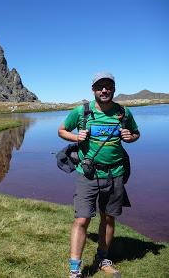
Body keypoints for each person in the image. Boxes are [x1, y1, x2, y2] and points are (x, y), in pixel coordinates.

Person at [58, 72, 140, 278]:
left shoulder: (123, 112)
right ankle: (75, 269)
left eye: (108, 86)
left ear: (114, 88)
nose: (104, 90)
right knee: (82, 219)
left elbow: (136, 133)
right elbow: (61, 130)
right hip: (88, 174)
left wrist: (130, 137)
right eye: (99, 87)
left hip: (116, 173)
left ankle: (102, 259)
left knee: (109, 217)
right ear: (93, 90)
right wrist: (76, 136)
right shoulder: (81, 112)